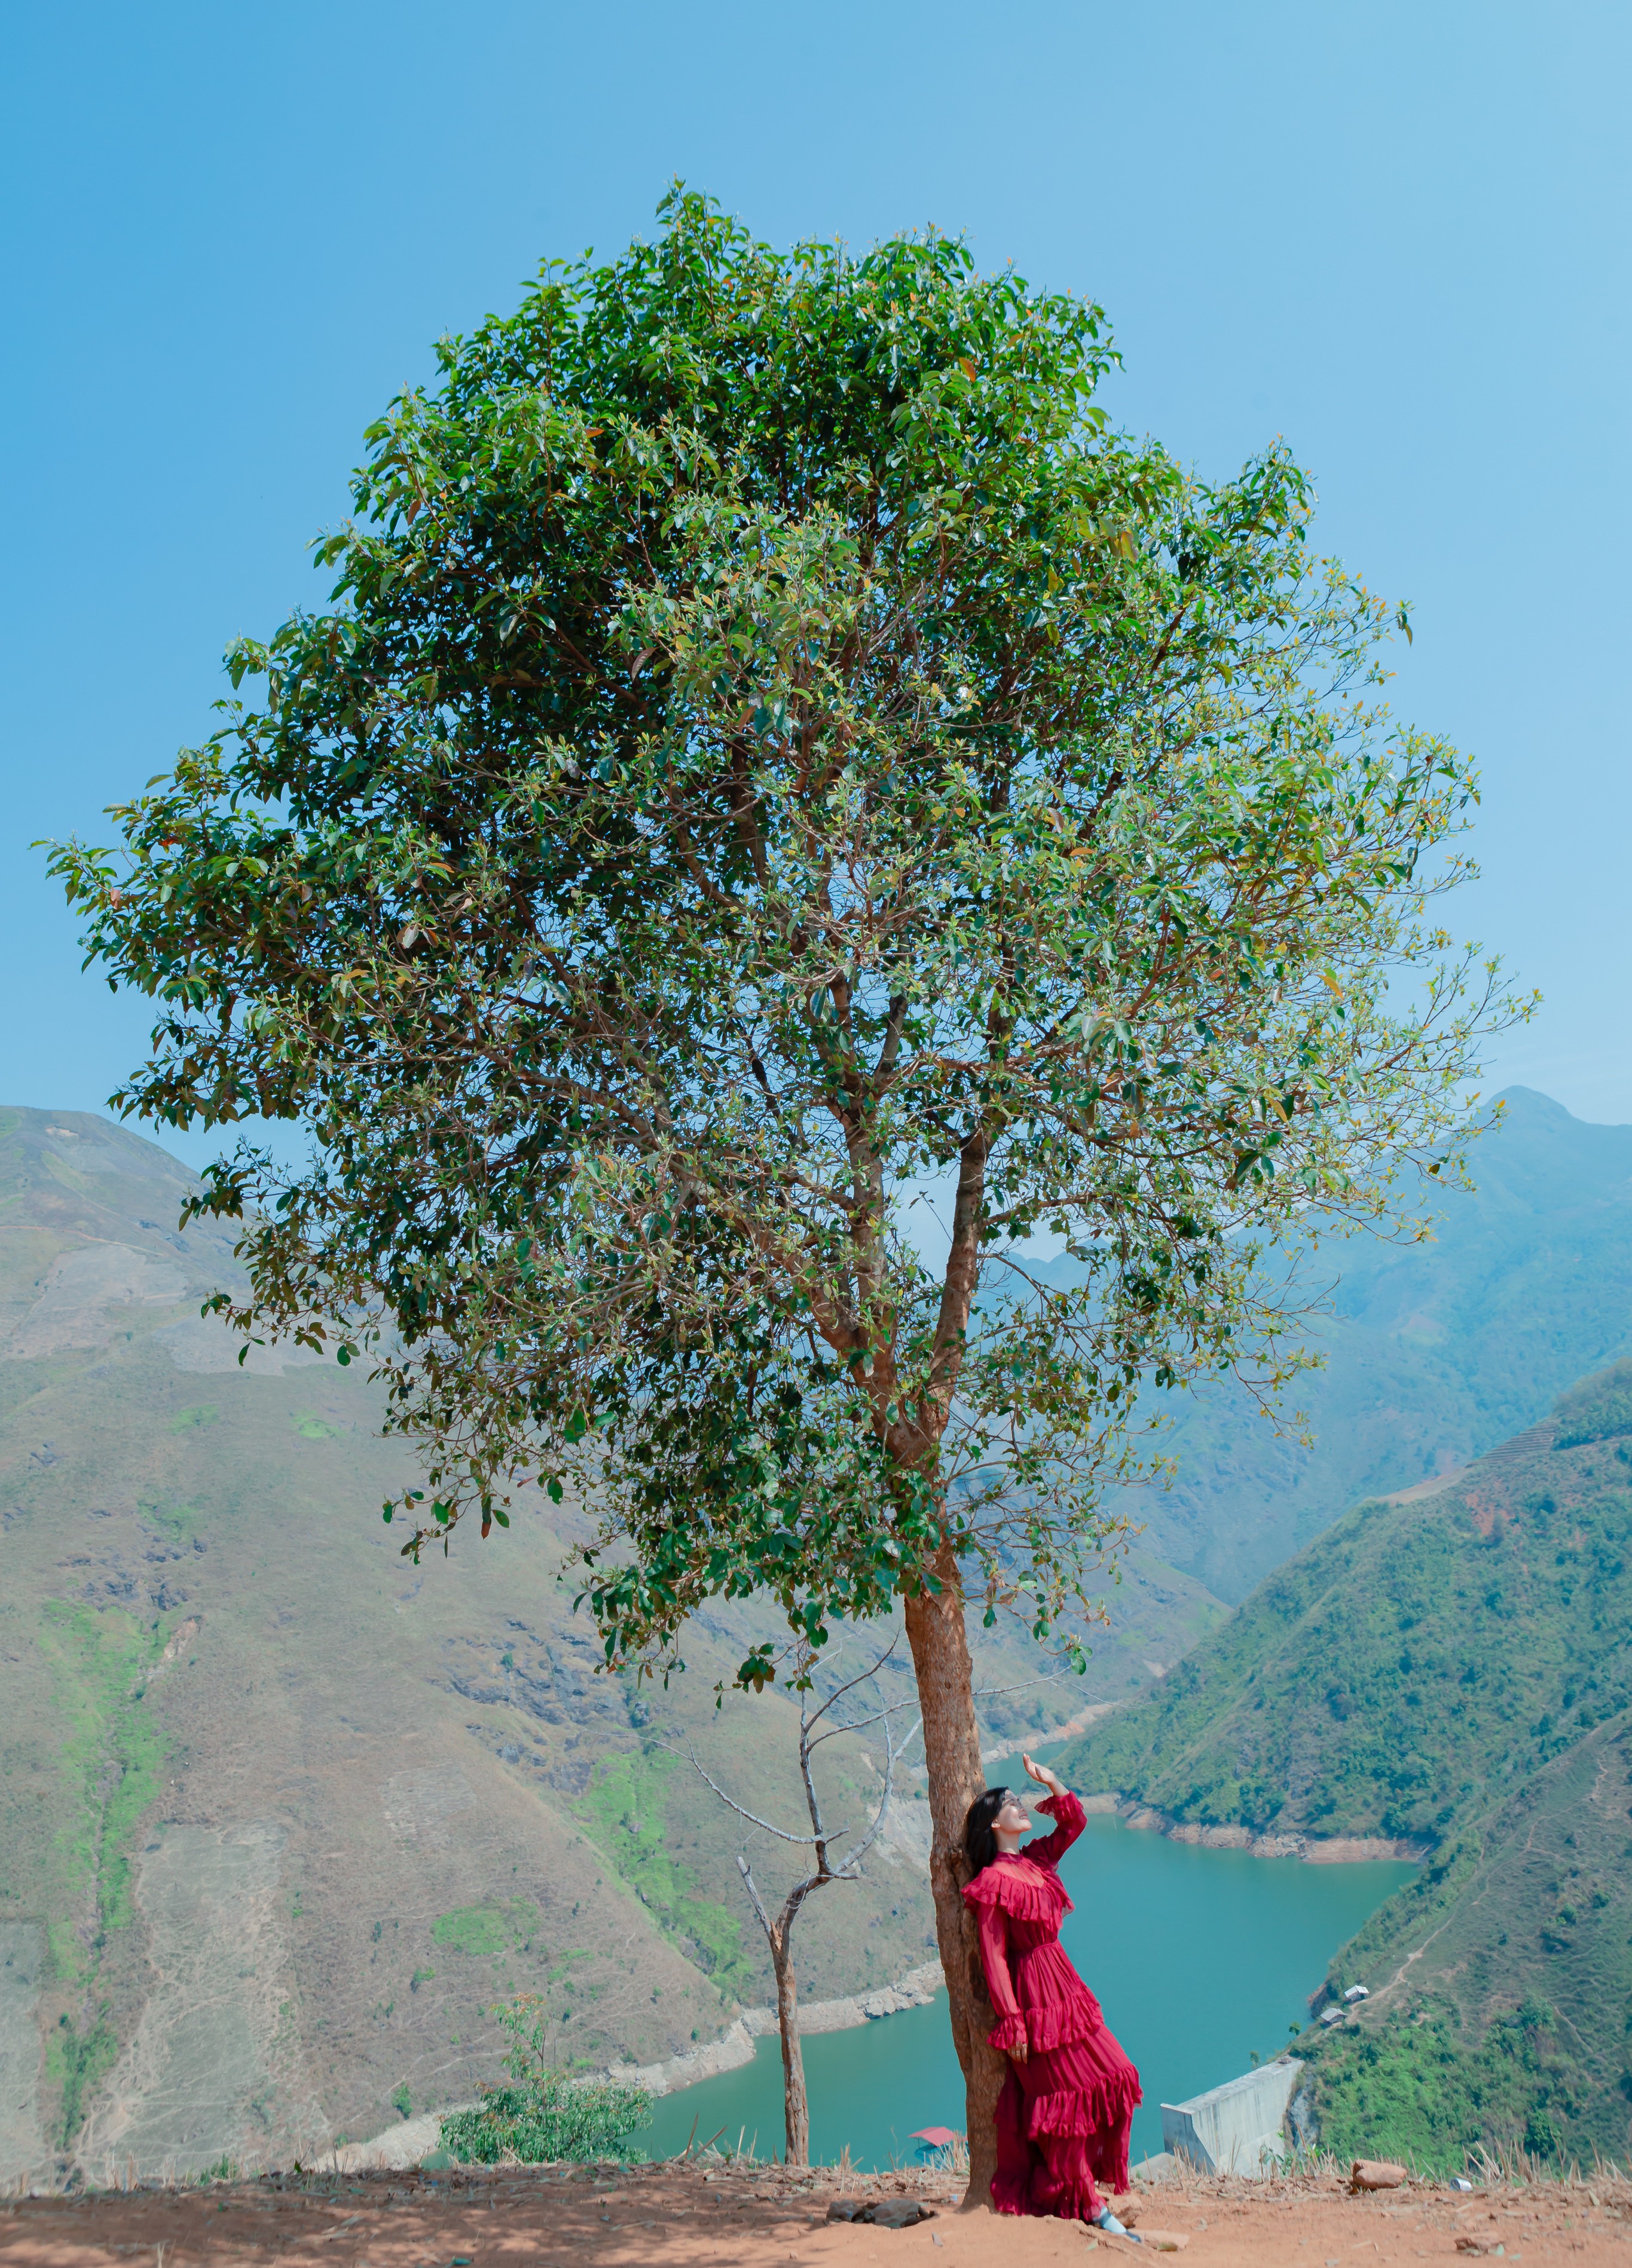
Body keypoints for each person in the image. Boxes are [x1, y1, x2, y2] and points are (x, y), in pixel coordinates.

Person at [962, 1753, 1142, 2239]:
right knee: (1062, 2106)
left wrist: (1052, 1781)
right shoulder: (991, 1883)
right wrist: (1013, 2021)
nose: (1021, 1806)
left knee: (1116, 2073)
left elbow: (1075, 1823)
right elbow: (994, 1957)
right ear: (992, 1823)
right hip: (1032, 2003)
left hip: (1065, 1989)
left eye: (1021, 1800)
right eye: (1011, 1804)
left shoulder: (1037, 1863)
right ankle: (1090, 2207)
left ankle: (1086, 2194)